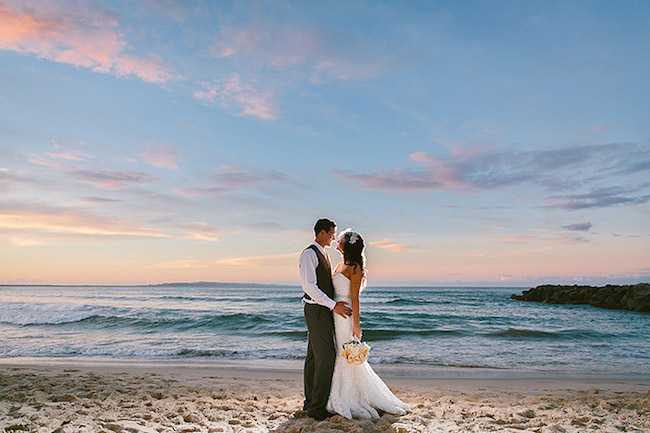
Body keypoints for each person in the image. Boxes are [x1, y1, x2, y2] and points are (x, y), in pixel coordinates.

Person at [326, 228, 410, 419]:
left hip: (345, 316)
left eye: (341, 239)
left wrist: (356, 325)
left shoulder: (355, 267)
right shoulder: (340, 265)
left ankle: (348, 396)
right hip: (335, 312)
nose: (337, 241)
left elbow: (355, 298)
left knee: (346, 354)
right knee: (338, 352)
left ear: (348, 244)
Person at [299, 218, 352, 420]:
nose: (333, 238)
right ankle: (317, 408)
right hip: (316, 311)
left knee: (314, 356)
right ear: (321, 233)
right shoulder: (309, 254)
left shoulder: (323, 253)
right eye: (331, 234)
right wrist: (333, 305)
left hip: (323, 311)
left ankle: (310, 403)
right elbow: (309, 286)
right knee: (326, 357)